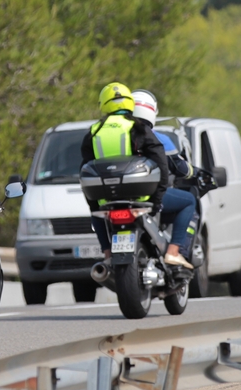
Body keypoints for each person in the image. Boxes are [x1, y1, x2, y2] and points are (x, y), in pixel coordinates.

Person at [81, 82, 195, 269]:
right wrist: (157, 199)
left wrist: (94, 202)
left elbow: (85, 169)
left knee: (97, 213)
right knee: (189, 200)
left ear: (103, 103)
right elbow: (161, 164)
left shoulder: (94, 131)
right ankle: (174, 252)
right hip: (141, 197)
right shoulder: (138, 128)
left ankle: (108, 254)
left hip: (107, 197)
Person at [131, 89, 199, 257]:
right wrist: (194, 172)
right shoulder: (158, 138)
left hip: (119, 196)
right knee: (189, 201)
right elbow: (182, 169)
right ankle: (175, 251)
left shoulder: (120, 137)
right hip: (149, 197)